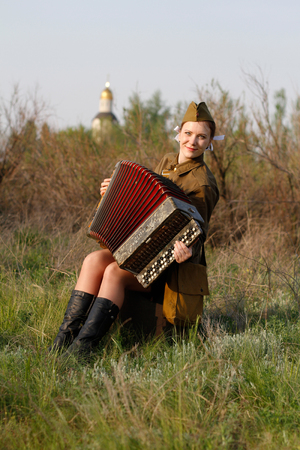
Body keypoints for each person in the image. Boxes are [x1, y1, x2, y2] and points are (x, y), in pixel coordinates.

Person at [49, 101, 220, 358]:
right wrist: (112, 192)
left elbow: (197, 231)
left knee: (114, 273)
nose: (192, 142)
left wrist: (187, 248)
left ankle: (82, 351)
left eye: (201, 137)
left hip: (171, 267)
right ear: (179, 132)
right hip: (146, 249)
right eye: (188, 133)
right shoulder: (168, 161)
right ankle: (64, 340)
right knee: (93, 260)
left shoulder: (202, 183)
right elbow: (147, 205)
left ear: (209, 142)